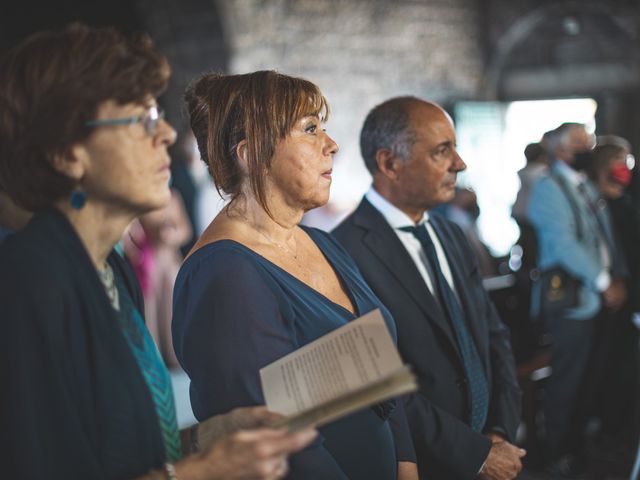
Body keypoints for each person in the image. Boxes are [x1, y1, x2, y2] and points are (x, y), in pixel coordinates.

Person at [0, 23, 316, 480]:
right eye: (143, 118)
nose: (167, 132)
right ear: (66, 152)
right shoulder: (28, 283)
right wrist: (204, 473)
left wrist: (207, 437)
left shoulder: (108, 265)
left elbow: (118, 445)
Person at [172, 71, 418, 480]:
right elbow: (277, 442)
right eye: (309, 129)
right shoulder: (224, 274)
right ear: (251, 154)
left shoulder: (323, 244)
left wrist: (406, 464)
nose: (332, 145)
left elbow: (380, 377)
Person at [332, 96, 523, 480]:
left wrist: (499, 431)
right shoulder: (344, 251)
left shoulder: (450, 233)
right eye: (442, 151)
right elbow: (378, 385)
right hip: (422, 461)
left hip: (490, 443)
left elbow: (491, 335)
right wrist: (472, 453)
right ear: (390, 164)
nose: (460, 163)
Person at [527, 123, 627, 476]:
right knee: (566, 381)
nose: (586, 147)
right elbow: (565, 244)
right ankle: (556, 454)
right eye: (578, 143)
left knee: (588, 379)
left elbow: (602, 236)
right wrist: (602, 281)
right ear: (558, 150)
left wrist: (617, 275)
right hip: (570, 301)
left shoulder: (582, 185)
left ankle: (578, 445)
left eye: (589, 141)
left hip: (593, 297)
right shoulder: (548, 188)